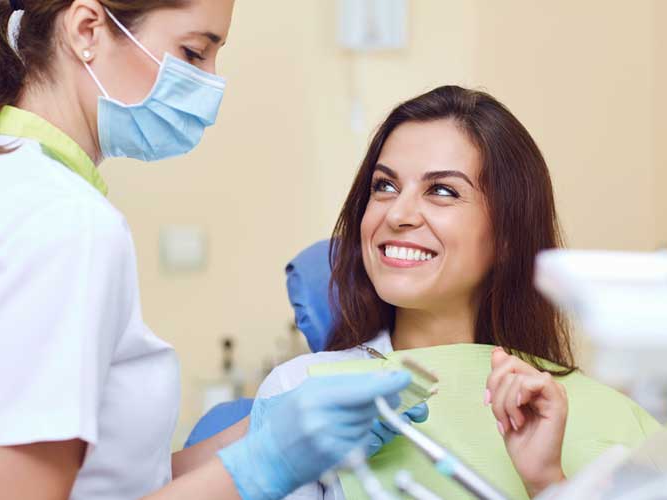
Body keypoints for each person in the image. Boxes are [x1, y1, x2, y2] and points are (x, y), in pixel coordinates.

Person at [0, 1, 421, 499]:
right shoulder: (66, 225)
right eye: (193, 53)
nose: (211, 88)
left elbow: (108, 481)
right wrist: (264, 464)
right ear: (87, 29)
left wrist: (262, 433)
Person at [255, 85, 662, 499]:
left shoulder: (616, 420)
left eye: (442, 191)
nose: (396, 214)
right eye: (384, 186)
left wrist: (546, 482)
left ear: (506, 236)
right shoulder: (301, 393)